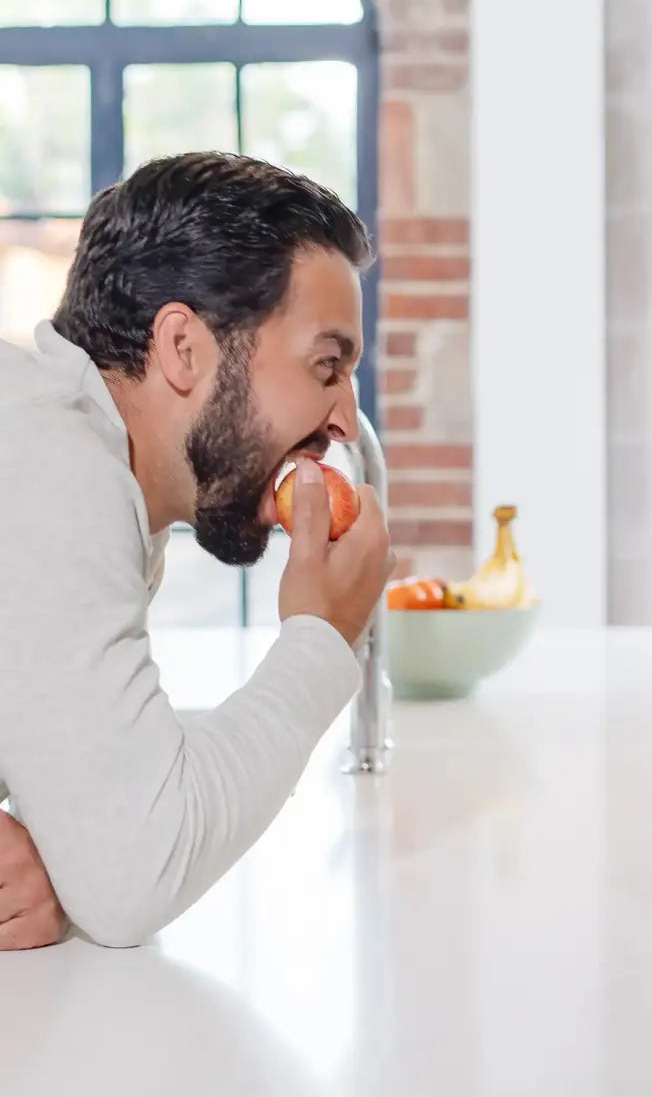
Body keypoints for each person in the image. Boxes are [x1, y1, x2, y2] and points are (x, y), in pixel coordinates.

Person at [0, 151, 395, 949]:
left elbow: (115, 813)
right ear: (183, 348)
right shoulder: (55, 464)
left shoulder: (66, 449)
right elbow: (133, 873)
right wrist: (322, 641)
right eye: (327, 366)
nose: (346, 422)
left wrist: (86, 834)